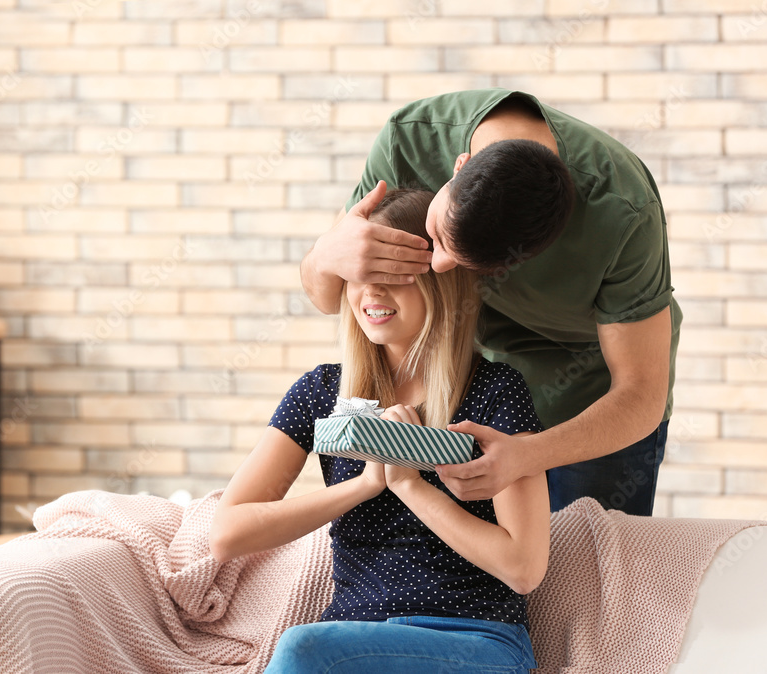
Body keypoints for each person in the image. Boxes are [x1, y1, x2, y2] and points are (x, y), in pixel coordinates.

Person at [211, 189, 550, 674]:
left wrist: (410, 484)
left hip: (475, 641)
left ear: (439, 285)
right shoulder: (319, 391)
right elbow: (227, 534)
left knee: (301, 650)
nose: (371, 294)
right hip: (351, 642)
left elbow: (524, 567)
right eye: (358, 276)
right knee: (311, 649)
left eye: (393, 277)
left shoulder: (495, 391)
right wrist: (365, 484)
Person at [300, 88, 683, 516]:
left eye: (471, 265)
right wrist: (325, 256)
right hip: (467, 384)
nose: (439, 265)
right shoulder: (406, 144)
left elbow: (640, 392)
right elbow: (328, 299)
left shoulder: (624, 211)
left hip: (590, 395)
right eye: (439, 236)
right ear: (458, 166)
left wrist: (526, 454)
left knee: (589, 563)